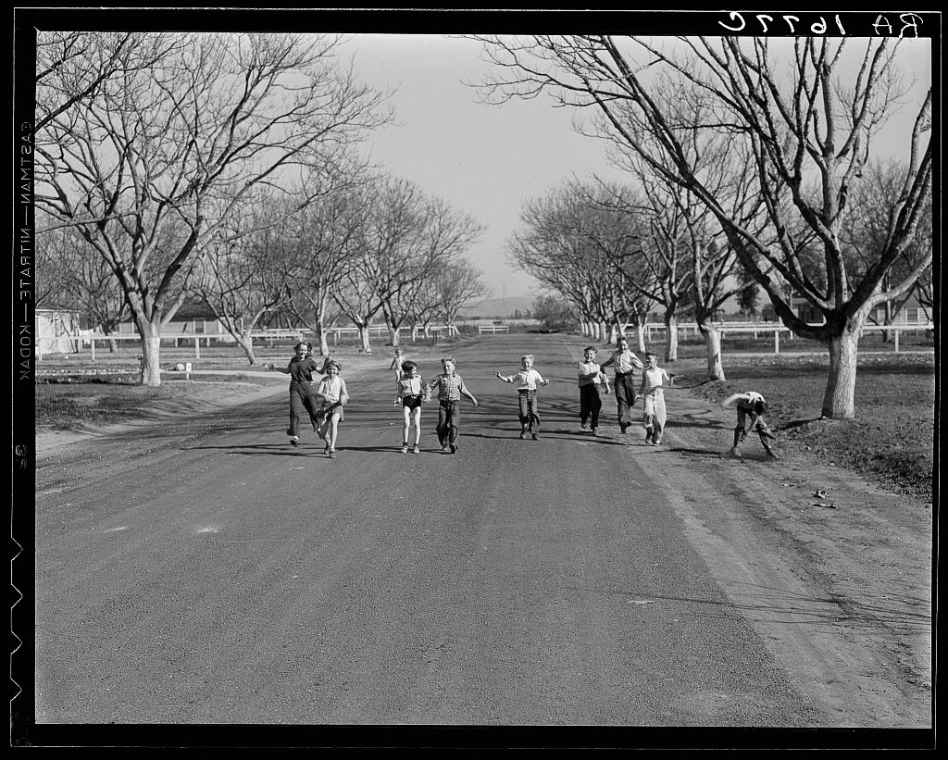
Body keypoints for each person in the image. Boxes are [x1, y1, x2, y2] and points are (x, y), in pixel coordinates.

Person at [267, 342, 323, 447]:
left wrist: (327, 366)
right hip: (294, 387)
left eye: (305, 350)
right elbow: (288, 371)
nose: (302, 352)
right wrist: (275, 368)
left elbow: (320, 371)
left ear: (307, 351)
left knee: (313, 410)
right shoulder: (293, 360)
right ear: (296, 350)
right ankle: (295, 436)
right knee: (294, 411)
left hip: (307, 388)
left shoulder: (310, 361)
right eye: (300, 349)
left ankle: (319, 427)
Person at [427, 357, 478, 454]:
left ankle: (452, 443)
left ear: (454, 367)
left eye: (448, 366)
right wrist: (426, 395)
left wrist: (472, 398)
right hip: (443, 405)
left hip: (455, 404)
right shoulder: (440, 378)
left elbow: (463, 390)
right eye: (444, 366)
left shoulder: (458, 378)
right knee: (442, 425)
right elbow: (430, 387)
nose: (446, 368)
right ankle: (444, 442)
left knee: (454, 425)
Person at [496, 354, 550, 440]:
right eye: (524, 363)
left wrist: (545, 382)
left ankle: (535, 432)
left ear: (531, 364)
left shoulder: (535, 373)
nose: (526, 364)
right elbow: (509, 380)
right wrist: (500, 377)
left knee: (534, 412)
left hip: (533, 394)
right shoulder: (520, 373)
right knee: (523, 413)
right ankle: (524, 429)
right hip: (523, 395)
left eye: (528, 363)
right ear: (522, 364)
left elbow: (541, 382)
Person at [600, 336, 644, 433]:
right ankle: (623, 422)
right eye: (620, 345)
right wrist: (602, 366)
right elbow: (609, 361)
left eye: (624, 345)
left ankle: (627, 419)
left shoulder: (630, 354)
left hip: (628, 378)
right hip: (619, 378)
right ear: (617, 346)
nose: (622, 347)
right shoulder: (615, 354)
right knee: (621, 400)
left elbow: (641, 365)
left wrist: (634, 365)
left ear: (627, 345)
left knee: (630, 400)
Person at [721, 391, 778, 459]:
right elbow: (736, 395)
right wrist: (725, 403)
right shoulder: (748, 398)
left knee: (761, 427)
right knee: (741, 426)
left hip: (752, 407)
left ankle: (769, 450)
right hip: (742, 407)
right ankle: (736, 448)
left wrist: (747, 432)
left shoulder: (762, 403)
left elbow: (754, 422)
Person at [313, 360, 349, 458]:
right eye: (330, 369)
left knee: (334, 422)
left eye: (334, 369)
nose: (332, 371)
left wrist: (343, 398)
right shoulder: (324, 380)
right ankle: (328, 443)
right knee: (321, 433)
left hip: (337, 406)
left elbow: (346, 394)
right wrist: (324, 395)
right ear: (327, 370)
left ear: (338, 370)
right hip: (325, 407)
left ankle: (332, 448)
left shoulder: (341, 380)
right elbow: (318, 393)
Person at [394, 360, 428, 454]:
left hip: (417, 402)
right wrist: (398, 400)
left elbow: (426, 387)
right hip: (407, 402)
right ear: (406, 372)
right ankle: (405, 444)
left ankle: (416, 445)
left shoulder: (419, 378)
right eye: (413, 371)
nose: (415, 372)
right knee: (406, 423)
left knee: (417, 424)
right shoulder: (402, 381)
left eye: (415, 370)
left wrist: (425, 395)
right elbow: (399, 394)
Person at [639, 352, 673, 445]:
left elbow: (669, 383)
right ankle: (649, 432)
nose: (647, 360)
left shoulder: (661, 371)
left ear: (655, 361)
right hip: (648, 396)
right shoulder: (645, 371)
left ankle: (657, 437)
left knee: (660, 419)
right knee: (648, 414)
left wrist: (672, 378)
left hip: (659, 397)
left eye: (649, 359)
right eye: (646, 359)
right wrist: (639, 394)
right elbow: (643, 384)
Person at [577, 346, 609, 435]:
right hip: (585, 387)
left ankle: (595, 426)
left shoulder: (598, 365)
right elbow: (582, 376)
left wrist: (607, 387)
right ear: (584, 354)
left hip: (596, 387)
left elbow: (603, 376)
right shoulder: (581, 364)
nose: (588, 356)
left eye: (591, 354)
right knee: (585, 407)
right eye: (587, 353)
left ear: (595, 355)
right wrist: (592, 375)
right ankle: (584, 419)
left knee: (596, 406)